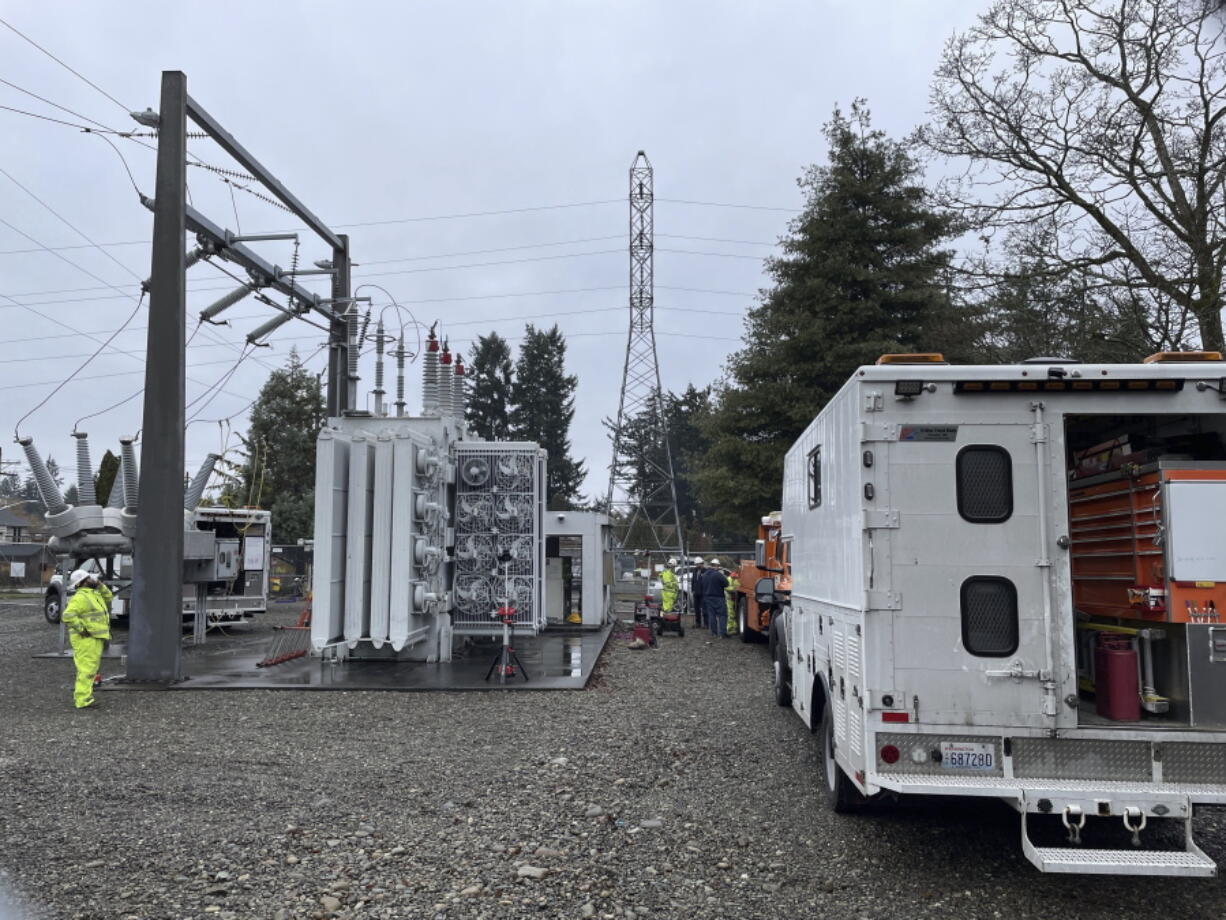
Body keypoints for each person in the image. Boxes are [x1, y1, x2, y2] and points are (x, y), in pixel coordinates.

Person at [62, 569, 112, 710]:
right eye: (89, 578)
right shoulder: (81, 597)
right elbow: (68, 615)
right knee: (87, 669)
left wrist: (100, 585)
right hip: (86, 639)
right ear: (83, 582)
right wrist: (81, 630)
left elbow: (109, 597)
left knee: (91, 668)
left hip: (94, 637)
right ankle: (82, 700)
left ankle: (85, 697)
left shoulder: (94, 594)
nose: (92, 579)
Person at [704, 559, 729, 638]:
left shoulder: (705, 574)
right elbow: (726, 583)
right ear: (716, 565)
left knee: (712, 615)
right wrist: (722, 574)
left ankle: (714, 633)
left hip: (708, 597)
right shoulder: (717, 574)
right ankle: (722, 633)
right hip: (718, 597)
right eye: (718, 566)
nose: (718, 567)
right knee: (722, 615)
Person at [689, 557, 707, 628]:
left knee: (704, 609)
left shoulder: (705, 571)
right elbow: (693, 581)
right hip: (696, 593)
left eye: (698, 564)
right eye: (696, 564)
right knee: (696, 609)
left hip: (703, 593)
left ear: (701, 564)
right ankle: (698, 623)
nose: (696, 565)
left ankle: (706, 623)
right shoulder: (695, 570)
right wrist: (693, 590)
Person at [725, 566, 741, 637]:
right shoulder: (728, 579)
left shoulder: (735, 579)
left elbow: (739, 586)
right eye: (734, 577)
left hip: (733, 599)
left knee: (733, 615)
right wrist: (734, 589)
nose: (735, 578)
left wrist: (736, 589)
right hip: (729, 600)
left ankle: (734, 628)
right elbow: (726, 587)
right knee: (730, 615)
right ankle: (729, 629)